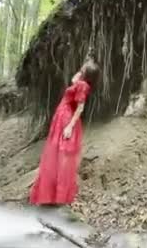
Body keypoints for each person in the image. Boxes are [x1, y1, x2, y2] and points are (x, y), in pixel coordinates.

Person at [29, 59, 99, 206]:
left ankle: (59, 196)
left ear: (86, 73)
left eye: (83, 68)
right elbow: (74, 79)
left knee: (62, 157)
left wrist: (69, 127)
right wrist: (84, 68)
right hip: (62, 118)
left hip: (66, 120)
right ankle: (54, 194)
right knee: (56, 155)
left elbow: (80, 108)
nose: (81, 68)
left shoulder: (83, 86)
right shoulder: (80, 83)